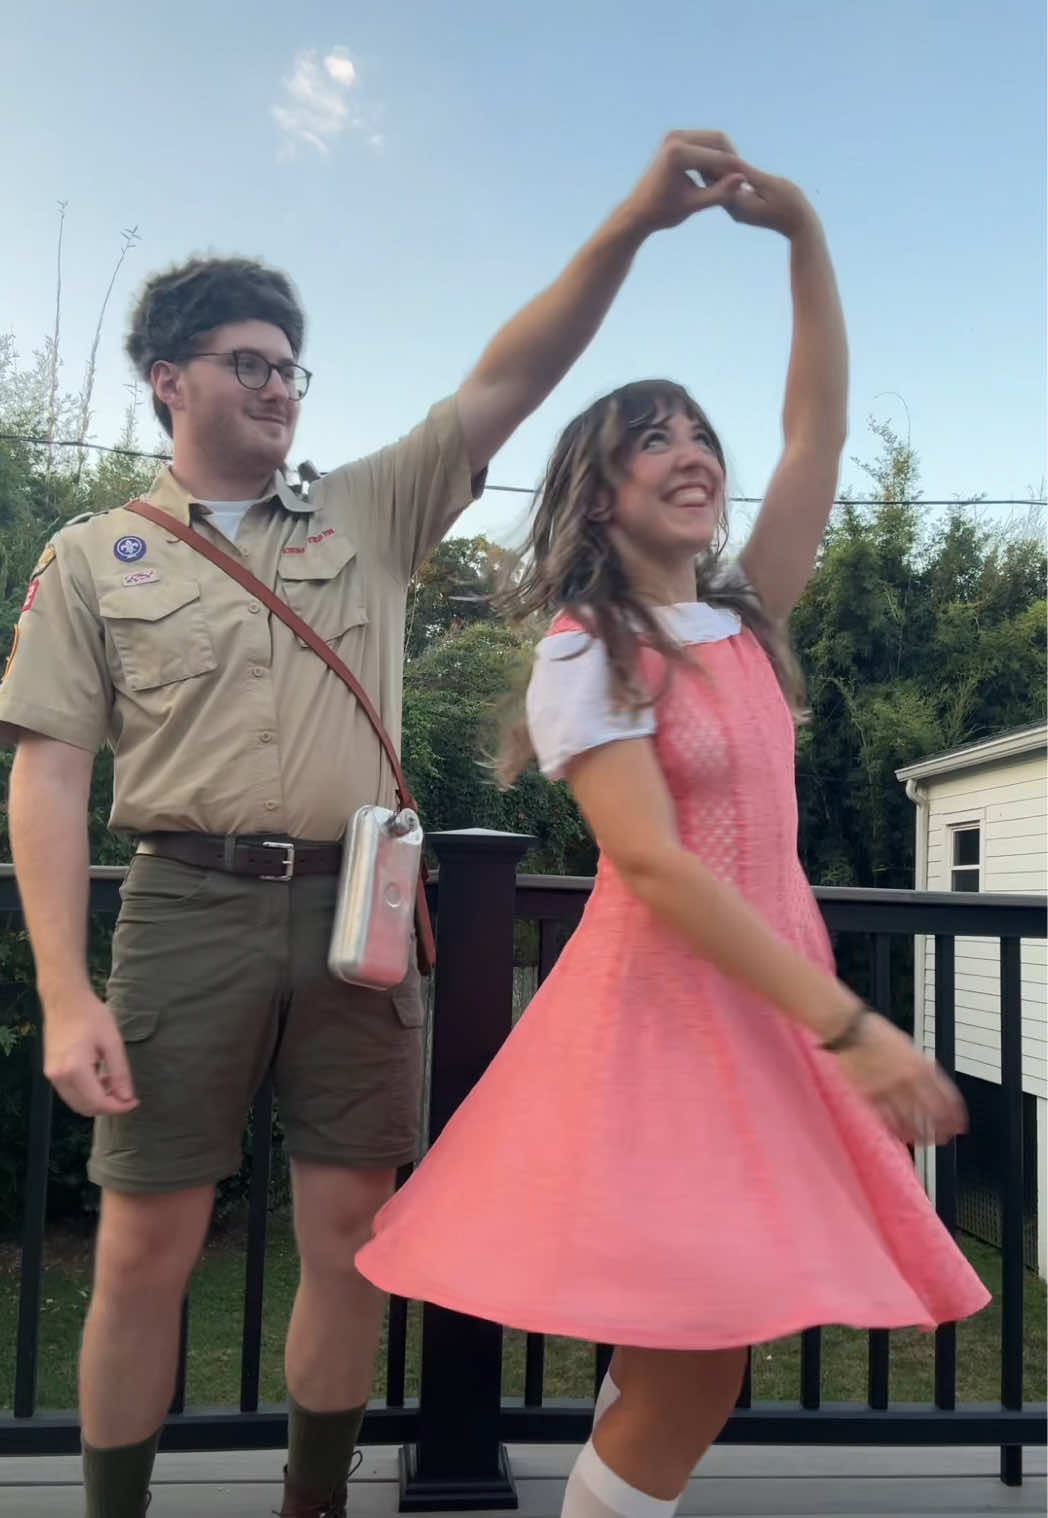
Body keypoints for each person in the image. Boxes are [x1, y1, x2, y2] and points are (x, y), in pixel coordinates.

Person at [0, 132, 754, 1518]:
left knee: (353, 1235)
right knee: (144, 1245)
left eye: (292, 368)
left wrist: (634, 222)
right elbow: (47, 778)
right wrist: (64, 990)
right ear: (169, 380)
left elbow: (515, 374)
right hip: (183, 907)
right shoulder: (93, 556)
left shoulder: (366, 510)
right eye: (249, 362)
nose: (279, 387)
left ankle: (313, 1503)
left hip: (361, 916)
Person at [354, 137, 991, 1518]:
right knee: (698, 1361)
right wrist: (851, 1026)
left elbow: (816, 433)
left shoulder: (742, 620)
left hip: (759, 1014)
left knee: (684, 1348)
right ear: (599, 492)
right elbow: (648, 862)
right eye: (655, 440)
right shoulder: (588, 647)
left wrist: (805, 236)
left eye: (700, 434)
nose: (694, 453)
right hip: (662, 1027)